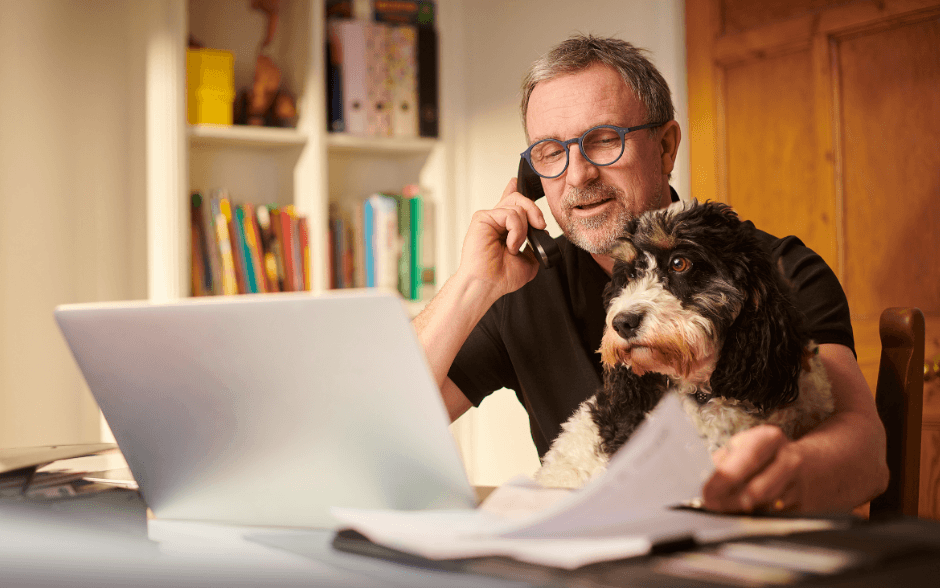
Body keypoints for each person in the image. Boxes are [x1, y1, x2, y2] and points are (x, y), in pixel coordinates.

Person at [413, 35, 888, 514]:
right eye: (551, 152)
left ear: (665, 147)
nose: (577, 176)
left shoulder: (774, 271)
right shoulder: (521, 286)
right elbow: (375, 423)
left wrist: (773, 478)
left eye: (603, 140)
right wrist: (472, 283)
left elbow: (866, 454)